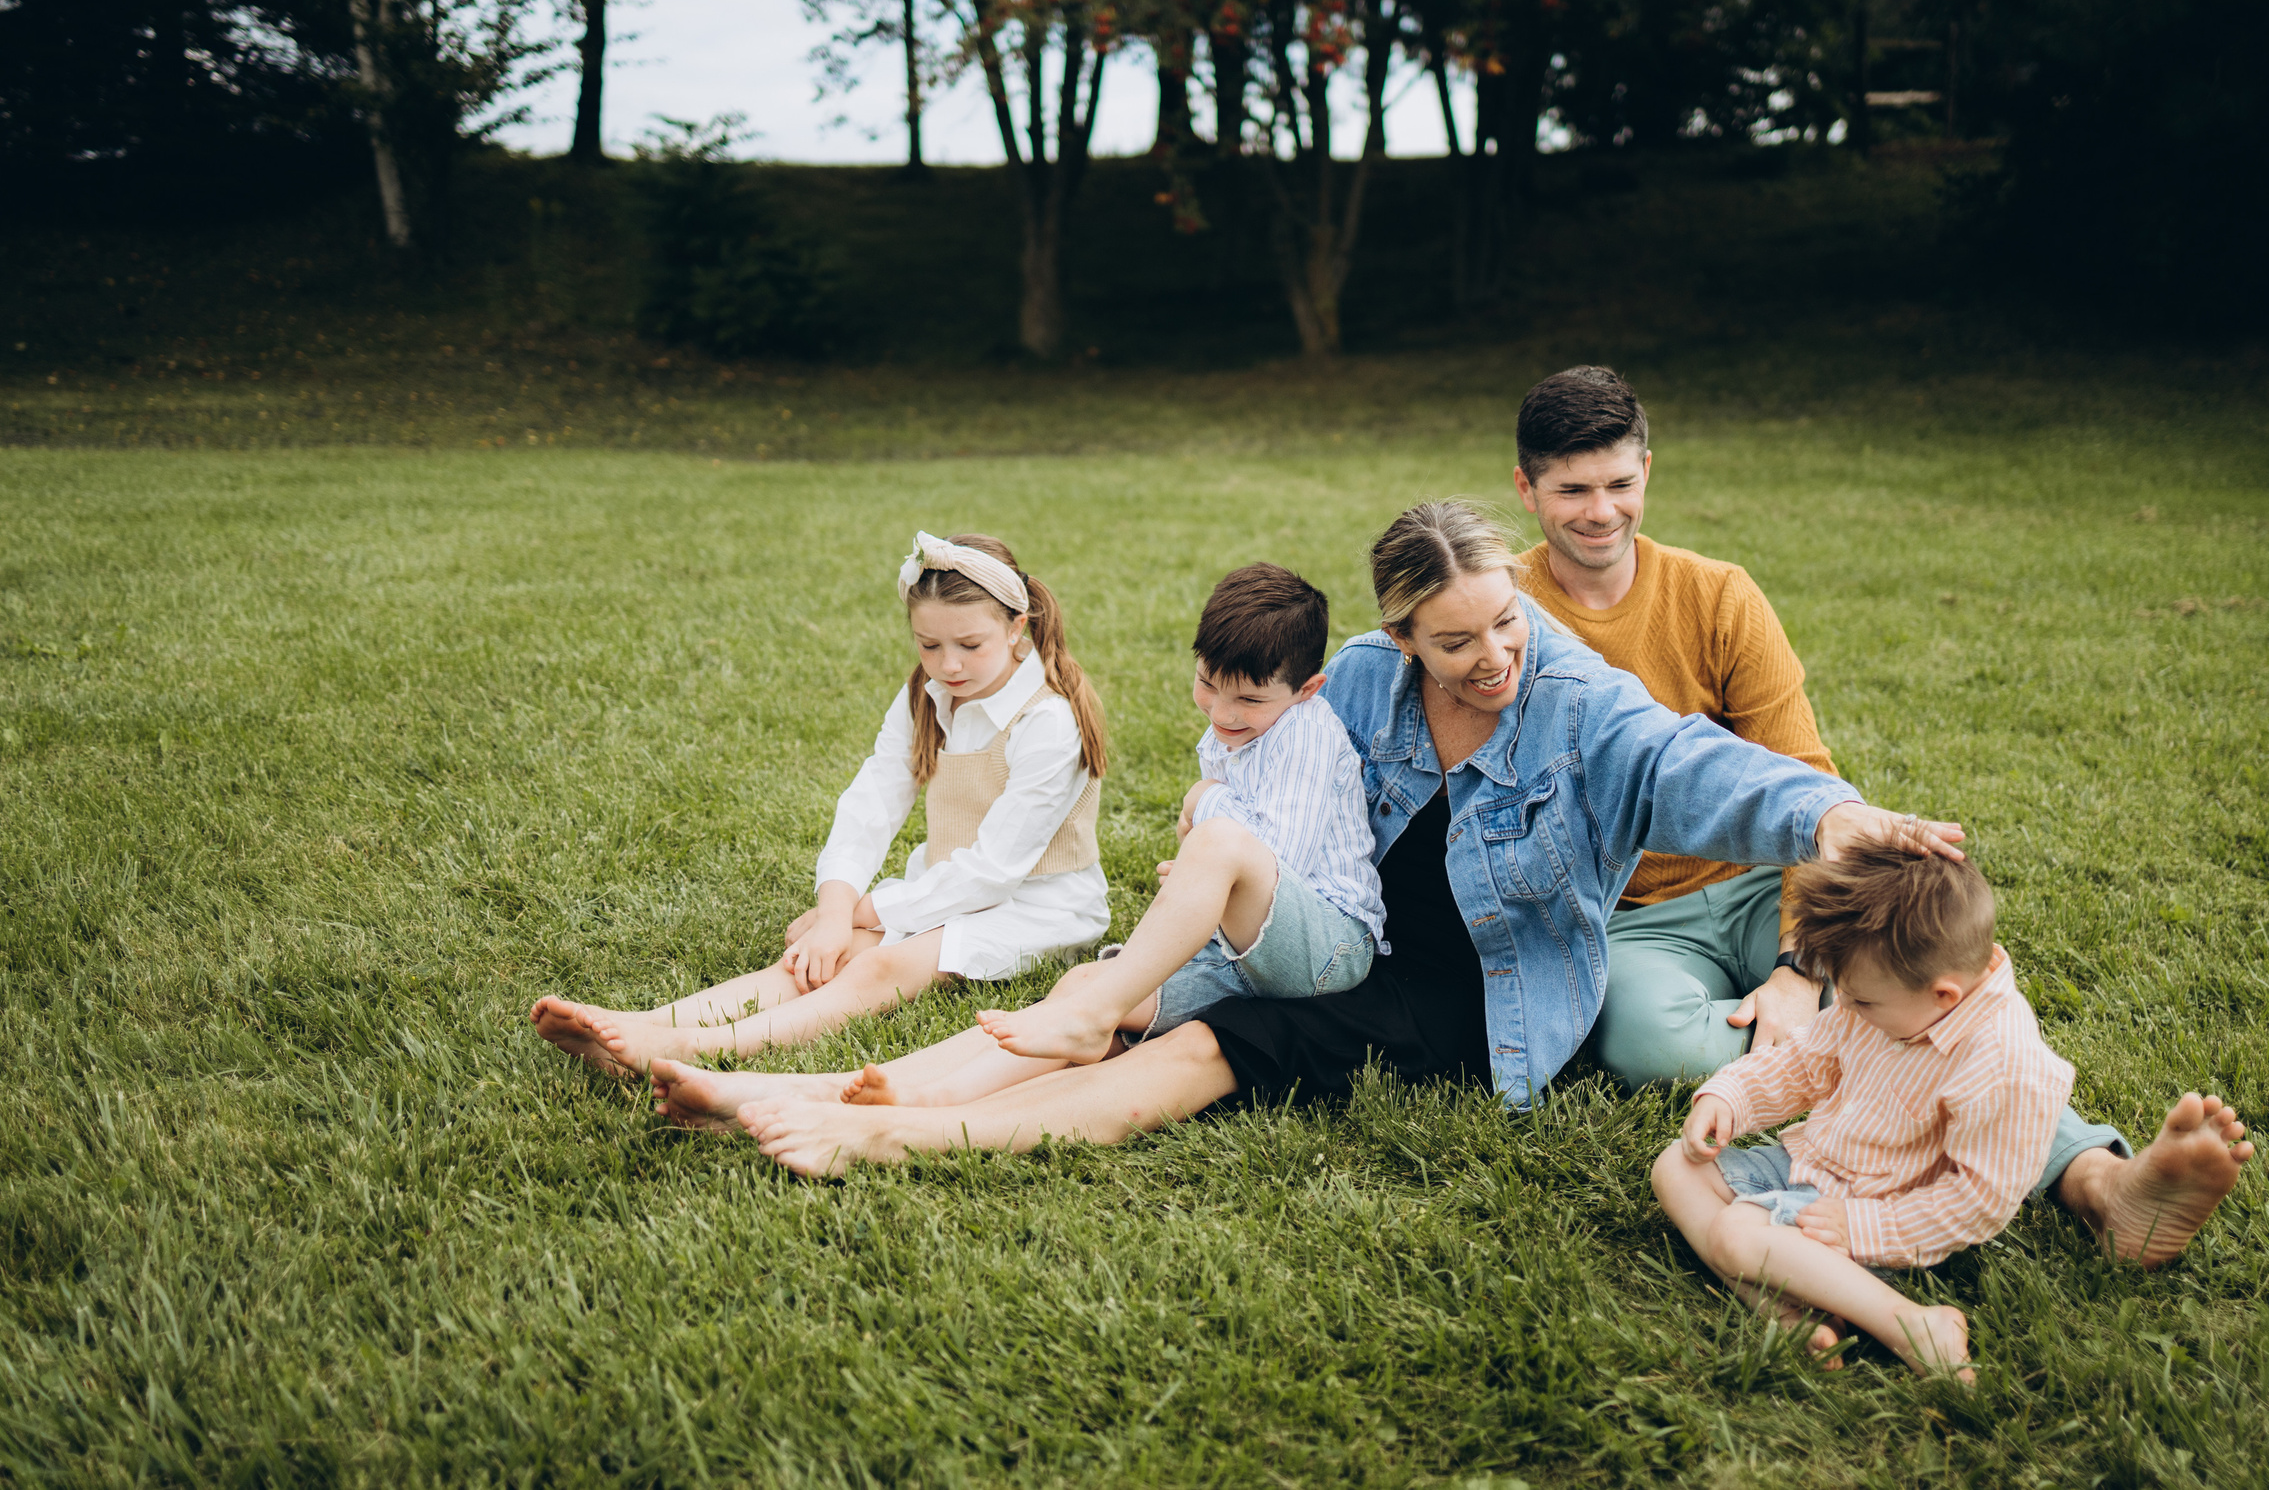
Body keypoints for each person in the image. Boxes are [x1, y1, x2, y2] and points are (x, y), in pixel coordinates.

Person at [643, 500, 1966, 1170]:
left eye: (1506, 622)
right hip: (1335, 935)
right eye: (1456, 640)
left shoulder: (1578, 705)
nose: (1494, 654)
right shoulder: (1363, 681)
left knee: (1214, 1042)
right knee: (1125, 1000)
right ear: (1399, 637)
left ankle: (886, 1132)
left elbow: (1699, 763)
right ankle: (789, 1092)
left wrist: (1832, 809)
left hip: (1468, 992)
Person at [1512, 365, 2254, 1265]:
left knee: (1895, 987)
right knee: (1644, 1042)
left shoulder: (1717, 594)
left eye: (1620, 484)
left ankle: (2101, 1183)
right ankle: (1881, 1093)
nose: (1601, 510)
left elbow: (1804, 778)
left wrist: (1794, 969)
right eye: (1573, 490)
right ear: (1526, 488)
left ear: (1649, 473)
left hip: (1763, 884)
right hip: (1627, 916)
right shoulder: (1505, 614)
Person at [528, 531, 1110, 1074]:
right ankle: (646, 1025)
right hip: (948, 891)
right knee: (824, 953)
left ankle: (686, 1047)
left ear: (1016, 628)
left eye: (969, 644)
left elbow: (995, 872)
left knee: (879, 964)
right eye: (928, 644)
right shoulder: (929, 696)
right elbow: (871, 802)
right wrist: (835, 913)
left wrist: (864, 911)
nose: (948, 664)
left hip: (1039, 908)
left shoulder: (1047, 722)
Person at [1651, 846, 2071, 1379]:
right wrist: (1729, 1097)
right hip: (1810, 1167)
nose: (1843, 1008)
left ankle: (1912, 1323)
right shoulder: (1878, 995)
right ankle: (1786, 1310)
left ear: (1944, 996)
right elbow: (1805, 1062)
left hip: (1881, 1213)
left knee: (1735, 1233)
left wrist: (1862, 1225)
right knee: (1674, 1167)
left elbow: (1977, 1201)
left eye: (1862, 1002)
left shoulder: (2005, 1064)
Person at [978, 562, 1384, 1066]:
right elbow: (1230, 856)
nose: (1221, 714)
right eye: (1208, 684)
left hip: (1328, 948)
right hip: (1240, 951)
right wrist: (1201, 878)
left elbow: (1278, 861)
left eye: (1249, 699)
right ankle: (932, 1095)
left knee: (1213, 845)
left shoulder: (1305, 733)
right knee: (1082, 984)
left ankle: (1090, 1018)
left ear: (1308, 689)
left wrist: (1203, 797)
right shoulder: (1245, 728)